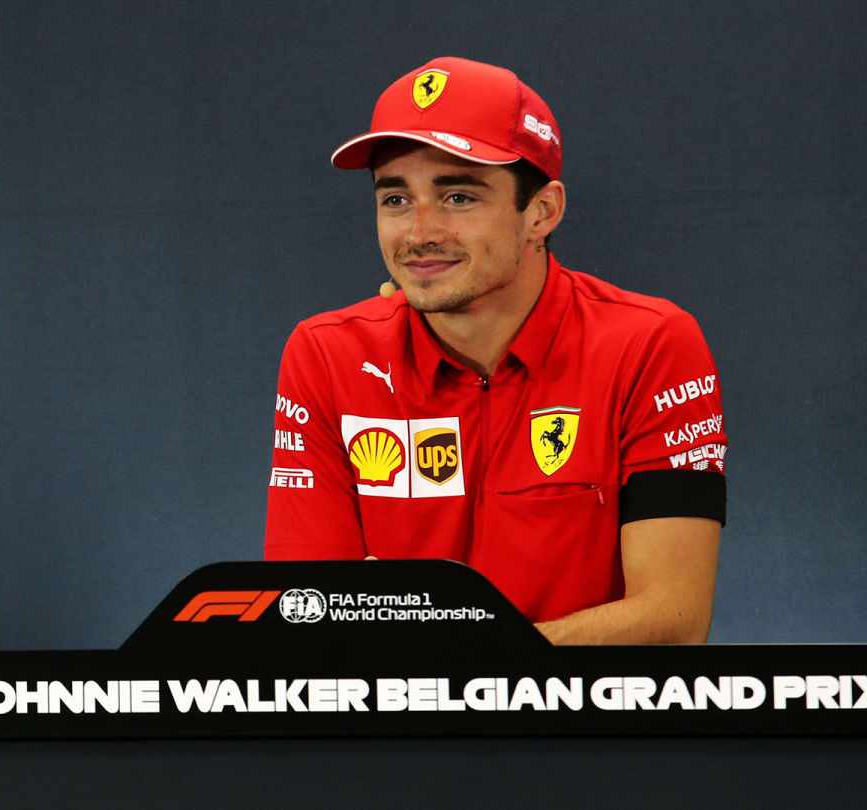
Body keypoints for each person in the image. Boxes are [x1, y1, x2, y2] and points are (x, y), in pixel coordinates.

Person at [264, 57, 726, 644]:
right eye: (396, 200)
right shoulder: (327, 353)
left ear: (542, 211)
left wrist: (466, 659)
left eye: (458, 196)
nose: (419, 232)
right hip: (400, 729)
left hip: (586, 727)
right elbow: (307, 617)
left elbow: (674, 620)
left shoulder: (651, 342)